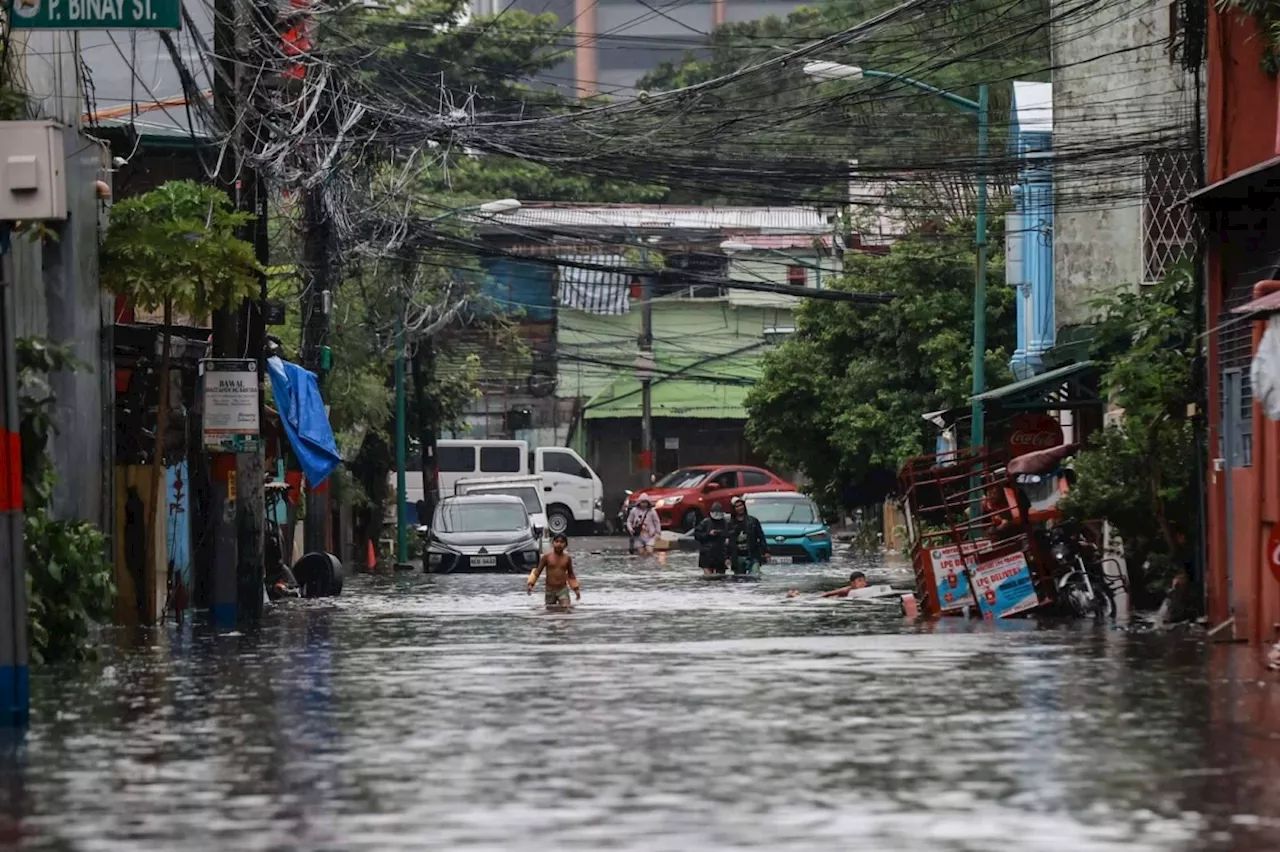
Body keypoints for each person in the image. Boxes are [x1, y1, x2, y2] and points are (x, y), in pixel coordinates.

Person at [527, 533, 581, 609]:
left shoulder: (567, 558)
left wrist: (576, 589)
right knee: (550, 611)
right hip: (550, 590)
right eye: (557, 541)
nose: (559, 544)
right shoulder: (546, 557)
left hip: (562, 589)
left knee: (566, 608)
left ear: (565, 545)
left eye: (562, 542)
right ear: (552, 543)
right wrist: (531, 584)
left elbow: (570, 574)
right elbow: (537, 571)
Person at [727, 497, 767, 576]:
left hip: (753, 555)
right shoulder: (729, 524)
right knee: (739, 580)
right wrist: (727, 557)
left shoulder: (753, 521)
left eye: (741, 505)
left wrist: (766, 551)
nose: (740, 508)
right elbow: (726, 542)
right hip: (737, 557)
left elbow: (761, 537)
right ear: (733, 509)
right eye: (737, 506)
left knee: (755, 577)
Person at [694, 502, 730, 575]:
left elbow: (729, 537)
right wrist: (708, 534)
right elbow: (697, 535)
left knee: (721, 577)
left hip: (721, 555)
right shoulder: (705, 522)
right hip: (707, 555)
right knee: (709, 578)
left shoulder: (725, 523)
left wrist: (727, 557)